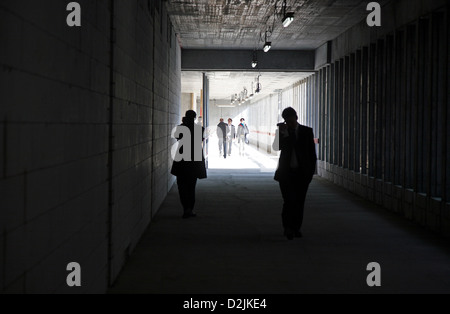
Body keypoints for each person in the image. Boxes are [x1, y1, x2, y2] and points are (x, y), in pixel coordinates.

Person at [272, 107, 317, 240]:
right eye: (287, 121)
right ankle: (288, 228)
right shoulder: (283, 132)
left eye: (291, 121)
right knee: (288, 201)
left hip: (302, 174)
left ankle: (296, 227)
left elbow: (311, 153)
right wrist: (281, 133)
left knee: (299, 202)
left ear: (296, 118)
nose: (290, 124)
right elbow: (276, 147)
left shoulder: (306, 131)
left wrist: (310, 174)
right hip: (286, 174)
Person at [171, 110, 207, 219]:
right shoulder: (200, 129)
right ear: (195, 118)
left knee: (181, 187)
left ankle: (185, 208)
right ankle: (189, 209)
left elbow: (177, 137)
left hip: (181, 161)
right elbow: (201, 139)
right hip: (194, 162)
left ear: (185, 117)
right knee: (191, 187)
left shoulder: (180, 128)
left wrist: (183, 124)